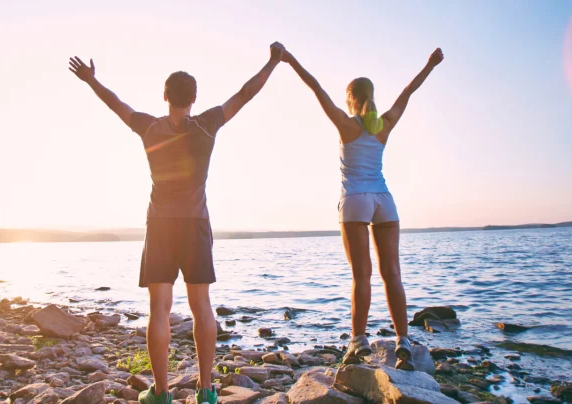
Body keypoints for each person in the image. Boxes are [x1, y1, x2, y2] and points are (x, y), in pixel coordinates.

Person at [68, 42, 285, 404]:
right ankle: (205, 391)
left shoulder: (149, 128)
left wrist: (92, 80)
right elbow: (245, 94)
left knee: (160, 310)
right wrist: (273, 62)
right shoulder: (207, 124)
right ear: (194, 98)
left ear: (165, 95)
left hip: (161, 227)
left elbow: (116, 103)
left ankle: (163, 394)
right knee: (202, 307)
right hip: (196, 225)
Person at [280, 47, 444, 368]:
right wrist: (430, 64)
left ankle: (358, 341)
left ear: (351, 98)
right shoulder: (383, 125)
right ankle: (403, 342)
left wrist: (290, 59)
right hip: (384, 200)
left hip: (355, 199)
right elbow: (408, 91)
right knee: (392, 274)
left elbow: (315, 87)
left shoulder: (346, 124)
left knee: (362, 276)